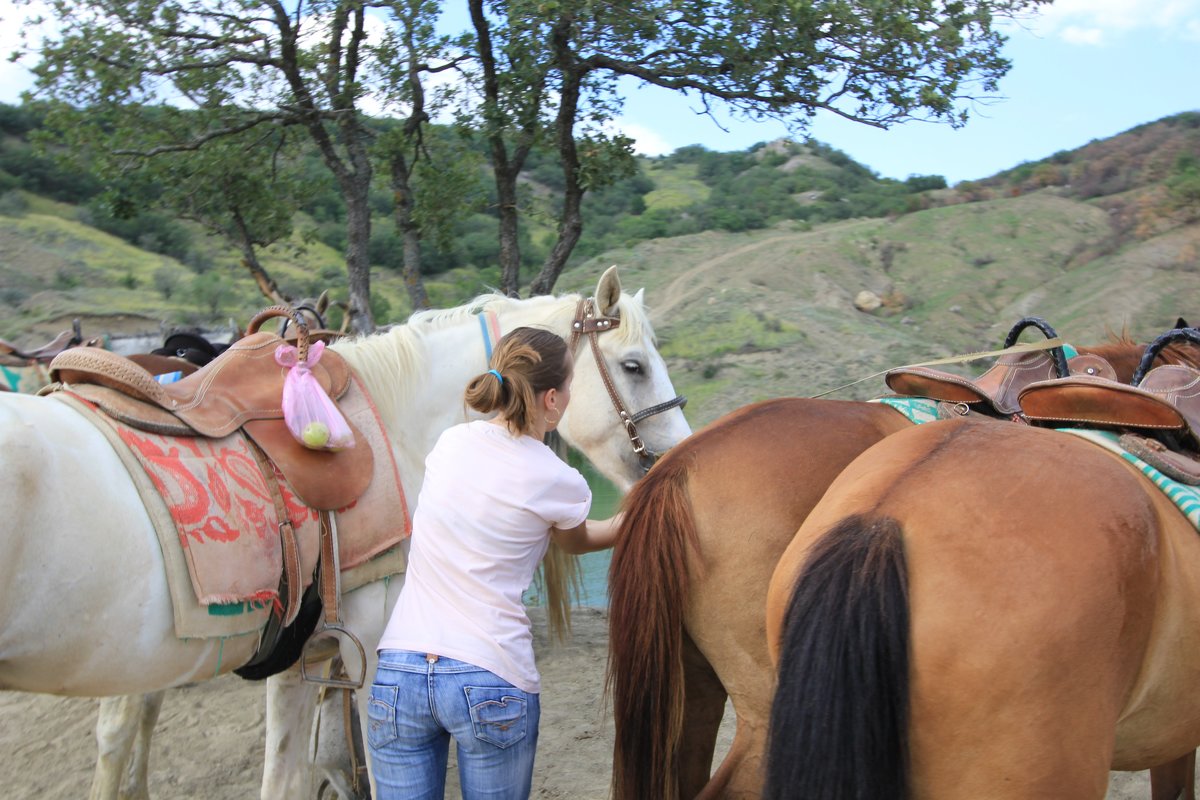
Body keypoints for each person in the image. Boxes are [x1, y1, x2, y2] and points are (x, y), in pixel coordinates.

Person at [368, 326, 621, 800]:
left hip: (399, 670)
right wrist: (630, 520)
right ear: (551, 399)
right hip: (488, 673)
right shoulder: (556, 477)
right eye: (569, 385)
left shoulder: (449, 443)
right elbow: (576, 541)